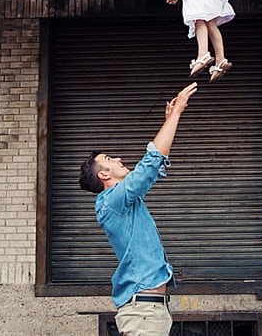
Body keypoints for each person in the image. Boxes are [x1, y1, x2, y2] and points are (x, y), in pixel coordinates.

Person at [79, 82, 198, 336]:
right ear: (103, 174)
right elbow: (150, 165)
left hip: (151, 311)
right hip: (142, 313)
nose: (119, 159)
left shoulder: (124, 202)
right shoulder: (110, 202)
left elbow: (153, 169)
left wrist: (168, 122)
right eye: (110, 160)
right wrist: (176, 114)